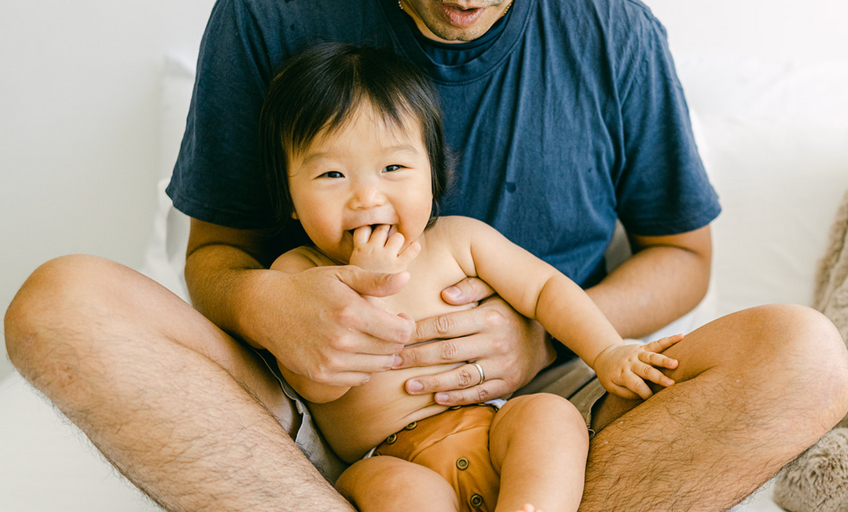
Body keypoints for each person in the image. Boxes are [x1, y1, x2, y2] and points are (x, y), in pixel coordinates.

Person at [4, 0, 848, 511]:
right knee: (58, 302)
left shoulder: (611, 29)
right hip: (312, 409)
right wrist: (272, 305)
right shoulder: (270, 13)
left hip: (543, 397)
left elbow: (683, 256)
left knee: (806, 357)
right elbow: (215, 256)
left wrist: (548, 337)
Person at [263, 42, 684, 512]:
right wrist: (365, 291)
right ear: (291, 200)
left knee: (549, 414)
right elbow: (317, 385)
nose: (367, 196)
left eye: (394, 167)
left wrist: (607, 351)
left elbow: (545, 290)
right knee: (400, 492)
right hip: (388, 459)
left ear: (434, 175)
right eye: (332, 175)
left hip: (492, 429)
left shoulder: (459, 240)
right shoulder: (298, 274)